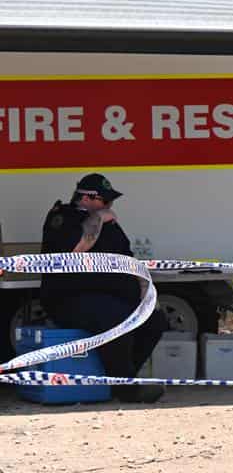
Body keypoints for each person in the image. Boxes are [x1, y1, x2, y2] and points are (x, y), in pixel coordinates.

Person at [39, 173, 168, 404]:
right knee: (115, 318)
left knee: (154, 320)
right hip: (71, 299)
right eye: (104, 200)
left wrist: (147, 293)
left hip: (114, 297)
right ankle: (125, 389)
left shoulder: (109, 223)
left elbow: (129, 260)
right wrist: (98, 217)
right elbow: (75, 252)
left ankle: (120, 379)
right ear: (86, 198)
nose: (109, 205)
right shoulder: (62, 218)